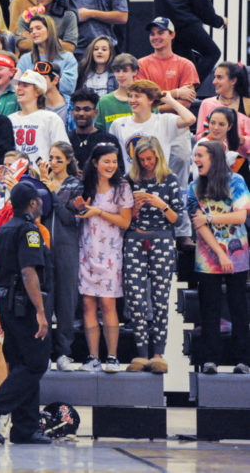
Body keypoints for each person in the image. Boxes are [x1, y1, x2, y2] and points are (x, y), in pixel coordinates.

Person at [0, 182, 51, 445]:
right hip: (24, 305)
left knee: (21, 364)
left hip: (5, 303)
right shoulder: (30, 231)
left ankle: (24, 429)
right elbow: (29, 272)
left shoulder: (4, 229)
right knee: (36, 364)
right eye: (37, 199)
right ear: (31, 204)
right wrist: (39, 311)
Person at [188, 141, 250, 375]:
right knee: (209, 310)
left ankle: (243, 360)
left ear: (213, 158)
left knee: (238, 309)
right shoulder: (194, 186)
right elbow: (198, 224)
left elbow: (240, 216)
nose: (196, 160)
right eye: (195, 156)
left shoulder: (236, 181)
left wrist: (211, 219)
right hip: (208, 257)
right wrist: (219, 252)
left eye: (200, 155)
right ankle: (210, 360)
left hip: (238, 254)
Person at [123, 137, 181, 374]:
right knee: (135, 298)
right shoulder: (130, 180)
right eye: (142, 159)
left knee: (159, 298)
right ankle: (141, 352)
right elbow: (124, 219)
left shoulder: (170, 180)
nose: (147, 163)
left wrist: (161, 204)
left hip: (162, 239)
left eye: (150, 158)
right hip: (135, 239)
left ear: (158, 156)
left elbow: (177, 219)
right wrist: (134, 208)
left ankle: (158, 353)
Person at [75, 144, 133, 373]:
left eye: (114, 161)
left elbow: (125, 222)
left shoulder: (122, 187)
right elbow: (77, 214)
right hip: (86, 251)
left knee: (108, 304)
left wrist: (98, 211)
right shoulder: (85, 185)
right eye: (106, 161)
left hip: (110, 252)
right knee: (88, 304)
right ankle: (93, 357)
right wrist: (80, 208)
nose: (111, 165)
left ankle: (112, 357)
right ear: (95, 163)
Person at [37, 141, 83, 372]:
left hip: (67, 249)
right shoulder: (40, 184)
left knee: (66, 302)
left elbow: (68, 218)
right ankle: (42, 352)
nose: (53, 163)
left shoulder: (75, 185)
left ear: (68, 160)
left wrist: (52, 193)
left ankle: (65, 352)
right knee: (44, 303)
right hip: (43, 250)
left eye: (58, 159)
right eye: (51, 158)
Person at [136, 16, 199, 108]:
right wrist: (176, 93)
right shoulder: (140, 64)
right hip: (148, 121)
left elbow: (186, 102)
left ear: (172, 35)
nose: (156, 37)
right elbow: (142, 98)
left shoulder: (186, 65)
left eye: (160, 33)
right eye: (152, 34)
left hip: (176, 121)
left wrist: (154, 109)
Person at [7, 69, 68, 164]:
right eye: (19, 85)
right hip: (14, 177)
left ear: (38, 92)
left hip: (42, 176)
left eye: (25, 86)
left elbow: (63, 151)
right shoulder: (9, 119)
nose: (19, 88)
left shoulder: (51, 118)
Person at [14, 0, 78, 55]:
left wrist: (36, 38)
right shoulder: (27, 16)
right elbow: (22, 45)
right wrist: (58, 42)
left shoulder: (68, 16)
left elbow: (69, 48)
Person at [18, 14, 78, 98]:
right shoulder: (25, 59)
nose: (33, 32)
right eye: (31, 30)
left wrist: (35, 83)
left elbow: (68, 88)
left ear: (50, 30)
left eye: (38, 28)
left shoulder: (67, 58)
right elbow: (19, 86)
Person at [196, 62, 250, 156]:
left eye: (219, 77)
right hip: (213, 158)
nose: (214, 82)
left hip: (240, 161)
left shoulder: (247, 104)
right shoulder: (207, 104)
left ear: (233, 81)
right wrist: (212, 134)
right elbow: (199, 137)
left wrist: (240, 139)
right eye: (214, 77)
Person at [68, 87, 119, 170]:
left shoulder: (108, 140)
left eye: (86, 109)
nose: (81, 113)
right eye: (77, 109)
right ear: (72, 112)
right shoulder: (66, 140)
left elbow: (118, 170)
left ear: (95, 112)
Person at [95, 53, 139, 132]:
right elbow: (97, 130)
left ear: (135, 71)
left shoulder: (145, 99)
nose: (120, 75)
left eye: (125, 71)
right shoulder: (104, 102)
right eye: (117, 71)